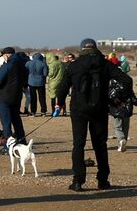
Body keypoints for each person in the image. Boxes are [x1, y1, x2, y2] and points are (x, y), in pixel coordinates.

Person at [55, 39, 132, 190]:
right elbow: (127, 80)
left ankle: (78, 180)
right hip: (100, 108)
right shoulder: (106, 64)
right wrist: (119, 99)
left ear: (81, 49)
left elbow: (62, 87)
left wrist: (59, 102)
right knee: (100, 145)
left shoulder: (74, 65)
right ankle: (102, 180)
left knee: (78, 144)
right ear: (96, 48)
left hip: (79, 109)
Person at [0, 47, 28, 150]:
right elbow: (25, 82)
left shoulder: (7, 65)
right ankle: (23, 143)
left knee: (6, 122)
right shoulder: (22, 65)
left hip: (5, 97)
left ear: (7, 55)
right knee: (17, 120)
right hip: (17, 96)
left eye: (3, 56)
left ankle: (8, 147)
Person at [25, 50, 48, 116]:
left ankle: (33, 112)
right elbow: (45, 73)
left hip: (31, 82)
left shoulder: (28, 63)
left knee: (33, 97)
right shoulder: (43, 64)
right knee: (42, 97)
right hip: (41, 82)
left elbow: (26, 71)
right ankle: (43, 111)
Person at [45, 50, 65, 117]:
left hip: (54, 82)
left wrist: (48, 75)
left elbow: (51, 74)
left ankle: (53, 111)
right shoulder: (61, 63)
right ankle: (64, 111)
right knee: (61, 97)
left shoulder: (52, 64)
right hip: (61, 81)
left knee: (53, 97)